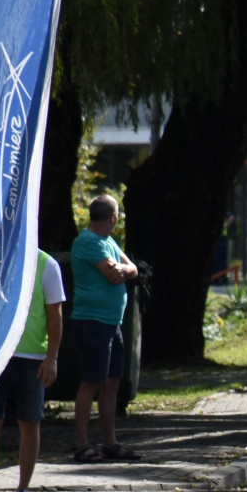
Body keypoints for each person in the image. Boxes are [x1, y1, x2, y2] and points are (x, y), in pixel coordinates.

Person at [0, 250, 65, 492]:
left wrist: (52, 358)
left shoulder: (46, 264)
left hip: (32, 356)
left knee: (30, 422)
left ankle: (23, 490)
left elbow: (55, 315)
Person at [70, 195, 140, 462]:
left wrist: (124, 269)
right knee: (91, 382)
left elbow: (131, 269)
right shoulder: (88, 242)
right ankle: (82, 444)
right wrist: (124, 270)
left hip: (113, 322)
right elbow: (114, 275)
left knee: (111, 383)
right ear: (113, 217)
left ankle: (110, 442)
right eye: (118, 215)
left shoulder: (108, 241)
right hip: (93, 322)